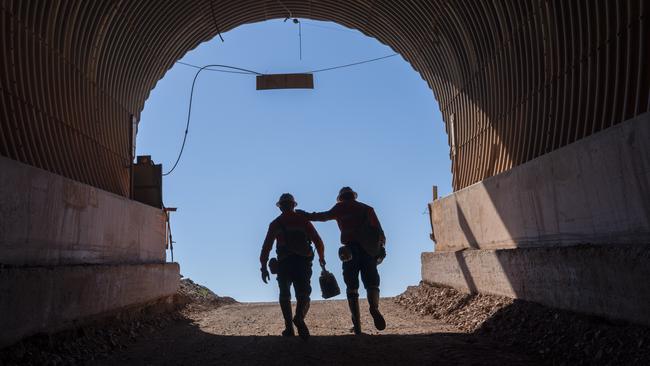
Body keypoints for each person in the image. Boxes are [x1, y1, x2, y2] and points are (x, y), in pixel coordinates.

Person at [297, 187, 386, 335]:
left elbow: (322, 216)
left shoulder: (340, 208)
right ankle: (374, 308)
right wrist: (381, 248)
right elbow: (380, 231)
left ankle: (357, 327)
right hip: (368, 250)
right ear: (353, 196)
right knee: (372, 283)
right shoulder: (367, 209)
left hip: (349, 250)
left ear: (341, 197)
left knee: (352, 287)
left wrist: (304, 215)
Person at [260, 193, 326, 340]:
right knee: (304, 294)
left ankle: (289, 328)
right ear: (293, 205)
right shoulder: (303, 221)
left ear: (280, 207)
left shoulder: (276, 223)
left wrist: (263, 266)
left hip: (284, 263)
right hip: (302, 263)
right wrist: (321, 258)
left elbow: (266, 247)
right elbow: (318, 241)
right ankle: (299, 317)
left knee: (284, 295)